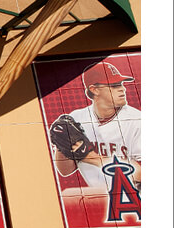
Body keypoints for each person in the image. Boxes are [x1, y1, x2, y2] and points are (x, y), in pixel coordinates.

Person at [50, 61, 141, 195]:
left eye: (121, 84)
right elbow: (65, 171)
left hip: (135, 197)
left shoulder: (136, 120)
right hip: (100, 199)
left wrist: (92, 157)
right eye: (115, 85)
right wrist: (61, 145)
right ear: (94, 89)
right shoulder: (76, 117)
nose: (123, 89)